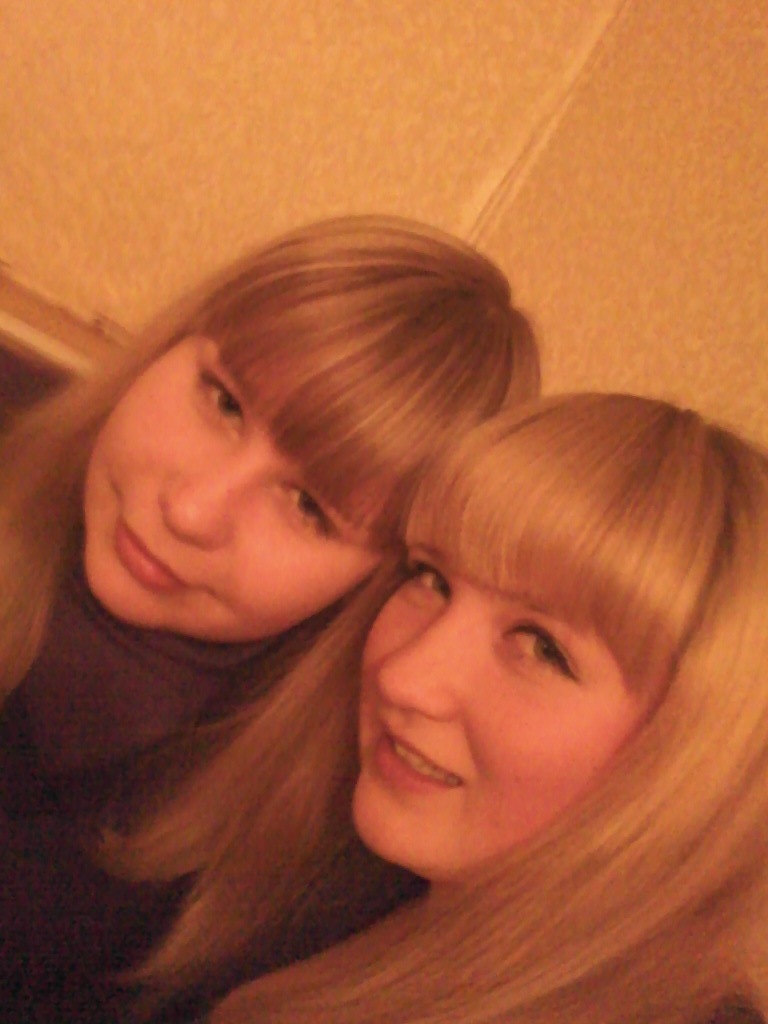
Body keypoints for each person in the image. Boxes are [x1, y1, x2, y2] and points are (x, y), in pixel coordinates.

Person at [0, 215, 538, 1018]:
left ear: (377, 585)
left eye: (310, 507)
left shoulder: (292, 897)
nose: (190, 509)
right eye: (223, 400)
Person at [109, 392, 767, 1024]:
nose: (403, 677)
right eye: (432, 579)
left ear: (701, 757)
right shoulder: (346, 895)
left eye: (542, 647)